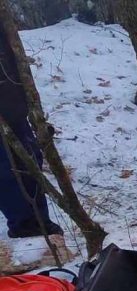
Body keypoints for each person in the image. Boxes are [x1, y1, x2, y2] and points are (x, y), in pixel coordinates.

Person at [0, 25, 63, 240]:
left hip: (14, 104)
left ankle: (39, 219)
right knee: (6, 168)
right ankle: (23, 224)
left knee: (31, 158)